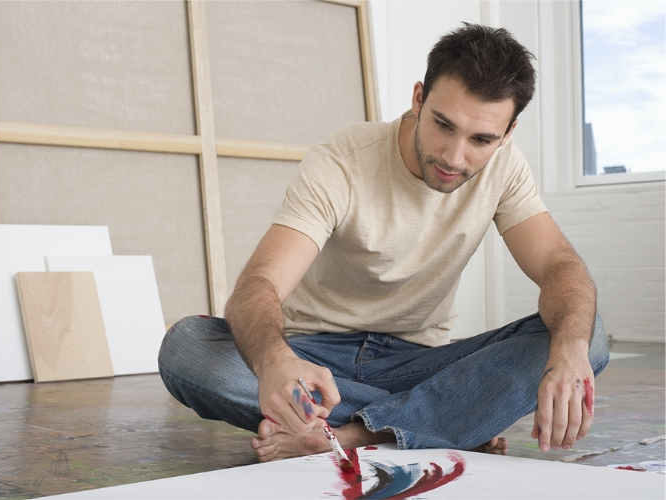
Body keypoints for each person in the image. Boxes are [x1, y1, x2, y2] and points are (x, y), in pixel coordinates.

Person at [158, 23, 609, 463]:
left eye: (481, 139)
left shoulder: (506, 168)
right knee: (187, 348)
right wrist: (274, 361)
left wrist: (569, 352)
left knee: (587, 337)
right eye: (443, 125)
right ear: (418, 98)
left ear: (507, 134)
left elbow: (558, 266)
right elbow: (260, 283)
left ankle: (356, 434)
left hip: (420, 361)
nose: (454, 156)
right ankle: (441, 419)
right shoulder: (341, 161)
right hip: (314, 360)